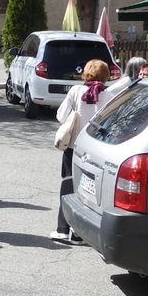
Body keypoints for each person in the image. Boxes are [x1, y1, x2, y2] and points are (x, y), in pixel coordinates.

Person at [54, 59, 111, 242]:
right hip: (96, 150)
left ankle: (62, 229)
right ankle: (79, 233)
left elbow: (61, 116)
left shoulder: (76, 91)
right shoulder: (109, 96)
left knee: (68, 186)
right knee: (88, 191)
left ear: (85, 74)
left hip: (73, 148)